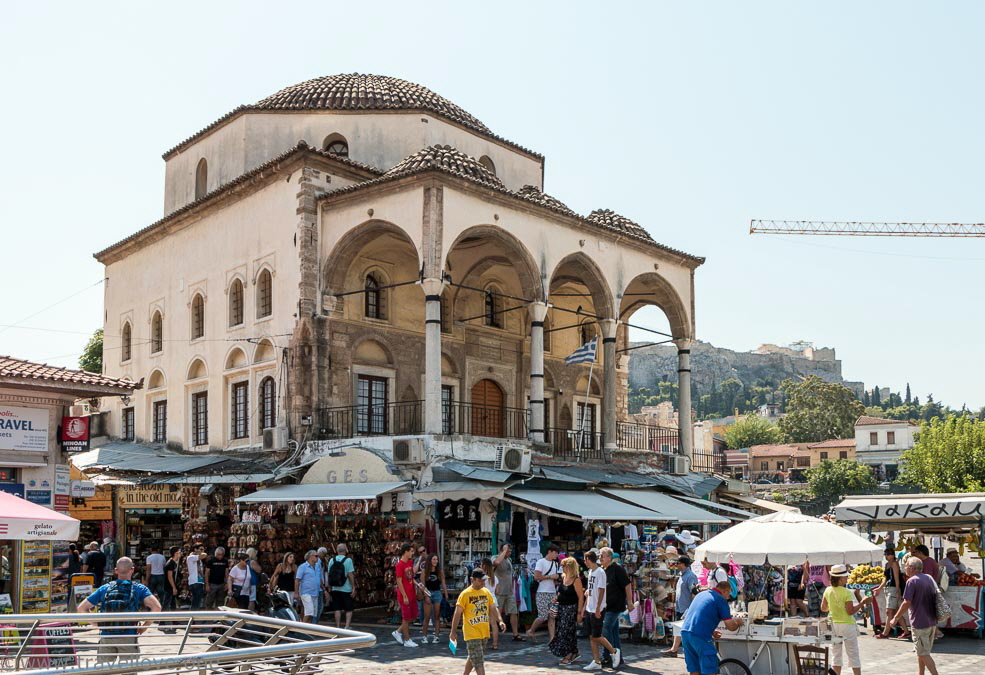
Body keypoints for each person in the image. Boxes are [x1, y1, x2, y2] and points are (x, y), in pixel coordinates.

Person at [78, 557, 161, 664]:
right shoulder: (139, 588)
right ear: (132, 570)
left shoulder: (105, 588)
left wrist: (97, 624)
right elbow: (157, 607)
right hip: (128, 636)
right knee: (129, 669)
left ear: (116, 571)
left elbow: (81, 608)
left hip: (107, 635)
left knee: (104, 669)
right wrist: (144, 627)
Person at [449, 569, 507, 675]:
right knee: (479, 663)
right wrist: (453, 631)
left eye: (484, 580)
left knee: (474, 657)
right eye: (480, 580)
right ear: (472, 580)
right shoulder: (465, 594)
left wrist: (500, 621)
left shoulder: (486, 592)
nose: (483, 583)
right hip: (471, 633)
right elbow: (457, 613)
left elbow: (493, 608)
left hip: (484, 632)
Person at [680, 581, 744, 675]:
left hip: (685, 633)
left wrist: (712, 631)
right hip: (700, 636)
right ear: (725, 591)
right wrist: (738, 622)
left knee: (694, 669)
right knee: (709, 669)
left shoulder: (701, 594)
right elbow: (730, 626)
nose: (728, 597)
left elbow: (699, 614)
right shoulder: (721, 600)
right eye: (729, 594)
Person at [888, 557, 939, 675]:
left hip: (920, 622)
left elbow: (906, 602)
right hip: (931, 621)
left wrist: (895, 618)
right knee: (921, 651)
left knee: (924, 654)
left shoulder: (912, 581)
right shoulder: (928, 578)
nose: (904, 568)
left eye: (906, 565)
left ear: (911, 568)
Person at [821, 564, 871, 675]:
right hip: (847, 625)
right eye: (845, 577)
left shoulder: (828, 590)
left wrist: (834, 606)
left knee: (836, 655)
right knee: (853, 654)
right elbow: (850, 611)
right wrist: (862, 602)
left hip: (833, 625)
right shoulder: (846, 592)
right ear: (840, 579)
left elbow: (823, 608)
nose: (847, 578)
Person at [582, 550, 619, 671]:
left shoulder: (600, 572)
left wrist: (598, 608)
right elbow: (591, 588)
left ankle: (614, 651)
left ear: (588, 559)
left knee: (597, 635)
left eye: (585, 559)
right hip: (590, 607)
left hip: (597, 608)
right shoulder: (591, 572)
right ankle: (596, 661)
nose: (584, 562)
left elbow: (602, 590)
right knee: (591, 636)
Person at [600, 546, 632, 670]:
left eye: (602, 556)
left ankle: (609, 655)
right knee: (613, 631)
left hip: (615, 605)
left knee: (606, 629)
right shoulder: (603, 570)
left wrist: (629, 602)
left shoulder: (617, 569)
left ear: (609, 557)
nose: (600, 558)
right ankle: (617, 657)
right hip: (606, 605)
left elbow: (627, 585)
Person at [548, 556, 585, 666]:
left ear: (569, 567)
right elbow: (560, 592)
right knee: (564, 630)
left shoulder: (576, 580)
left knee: (566, 631)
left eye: (563, 566)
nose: (562, 568)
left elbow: (581, 597)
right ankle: (573, 651)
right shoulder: (563, 577)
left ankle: (568, 654)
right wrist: (557, 598)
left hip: (571, 609)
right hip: (562, 608)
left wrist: (579, 612)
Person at [662, 555, 698, 657]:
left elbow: (694, 593)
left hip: (687, 608)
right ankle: (674, 649)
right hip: (680, 607)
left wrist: (691, 608)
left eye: (678, 563)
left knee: (687, 630)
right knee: (678, 629)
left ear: (684, 564)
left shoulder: (690, 576)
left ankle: (691, 651)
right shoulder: (682, 576)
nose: (676, 565)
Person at [526, 544, 561, 642]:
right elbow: (536, 576)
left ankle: (552, 638)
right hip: (542, 592)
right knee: (543, 616)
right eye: (555, 552)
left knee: (552, 616)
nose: (556, 555)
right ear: (549, 551)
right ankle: (531, 630)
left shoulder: (556, 564)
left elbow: (554, 580)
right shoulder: (541, 562)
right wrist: (550, 577)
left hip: (552, 592)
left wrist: (557, 581)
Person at [876, 548, 910, 639]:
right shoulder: (887, 564)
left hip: (893, 588)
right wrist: (879, 588)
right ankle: (906, 631)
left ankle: (885, 633)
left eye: (888, 554)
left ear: (892, 555)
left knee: (889, 611)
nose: (886, 556)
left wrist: (897, 589)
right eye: (885, 554)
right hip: (888, 588)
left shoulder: (894, 564)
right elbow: (885, 578)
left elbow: (896, 578)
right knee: (895, 611)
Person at [492, 543, 522, 642]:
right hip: (499, 591)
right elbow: (496, 563)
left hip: (509, 591)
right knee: (496, 613)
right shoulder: (495, 557)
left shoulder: (509, 560)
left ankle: (515, 634)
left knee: (513, 612)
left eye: (510, 551)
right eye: (508, 551)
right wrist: (504, 551)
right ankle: (493, 632)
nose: (509, 553)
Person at [393, 543, 419, 647]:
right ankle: (407, 640)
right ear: (406, 552)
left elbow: (411, 578)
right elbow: (399, 581)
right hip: (405, 594)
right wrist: (404, 595)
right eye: (411, 551)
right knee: (406, 617)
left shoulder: (410, 562)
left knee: (412, 616)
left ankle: (398, 632)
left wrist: (418, 584)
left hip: (411, 593)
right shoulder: (399, 565)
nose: (412, 553)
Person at [421, 553, 448, 644]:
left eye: (436, 559)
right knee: (427, 616)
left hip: (437, 593)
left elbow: (443, 583)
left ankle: (436, 636)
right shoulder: (425, 571)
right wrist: (426, 596)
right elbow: (423, 585)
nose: (435, 561)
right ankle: (424, 636)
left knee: (436, 616)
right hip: (428, 592)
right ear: (430, 560)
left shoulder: (440, 571)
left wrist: (446, 594)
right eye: (433, 559)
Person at [328, 544, 356, 630]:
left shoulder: (332, 560)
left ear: (337, 550)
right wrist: (353, 587)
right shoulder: (348, 560)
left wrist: (329, 586)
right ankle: (347, 626)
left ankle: (338, 626)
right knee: (348, 608)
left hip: (335, 588)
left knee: (337, 608)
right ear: (346, 550)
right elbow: (350, 574)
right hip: (346, 588)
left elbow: (329, 575)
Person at [294, 550, 322, 623]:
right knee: (309, 611)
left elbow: (319, 579)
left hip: (315, 593)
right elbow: (297, 580)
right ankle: (303, 627)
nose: (318, 558)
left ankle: (307, 626)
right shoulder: (303, 567)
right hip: (306, 592)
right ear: (310, 557)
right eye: (316, 556)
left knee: (312, 613)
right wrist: (296, 593)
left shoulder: (317, 567)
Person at [479, 558, 500, 649]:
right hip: (493, 600)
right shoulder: (495, 578)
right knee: (494, 624)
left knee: (483, 623)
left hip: (484, 600)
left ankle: (482, 643)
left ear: (484, 566)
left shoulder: (482, 578)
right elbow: (497, 591)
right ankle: (495, 644)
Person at [186, 544, 205, 610]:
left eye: (203, 549)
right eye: (201, 549)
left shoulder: (198, 559)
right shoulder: (191, 557)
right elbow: (204, 555)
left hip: (199, 580)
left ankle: (194, 613)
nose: (202, 551)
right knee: (196, 601)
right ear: (195, 549)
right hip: (195, 581)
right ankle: (193, 614)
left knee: (197, 600)